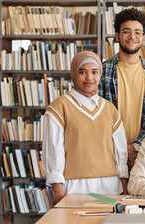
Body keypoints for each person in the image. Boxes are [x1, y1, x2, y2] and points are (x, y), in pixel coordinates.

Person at [42, 51, 128, 205]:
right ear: (74, 74)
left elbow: (120, 152)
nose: (89, 78)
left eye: (94, 72)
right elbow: (53, 150)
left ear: (100, 74)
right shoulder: (58, 107)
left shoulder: (110, 109)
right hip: (73, 187)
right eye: (82, 72)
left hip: (109, 187)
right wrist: (58, 188)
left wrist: (124, 186)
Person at [99, 8, 145, 170]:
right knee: (109, 196)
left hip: (144, 155)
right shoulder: (101, 71)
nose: (132, 37)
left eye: (137, 33)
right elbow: (97, 115)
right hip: (107, 153)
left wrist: (135, 147)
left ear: (143, 38)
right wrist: (118, 148)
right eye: (126, 32)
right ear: (117, 36)